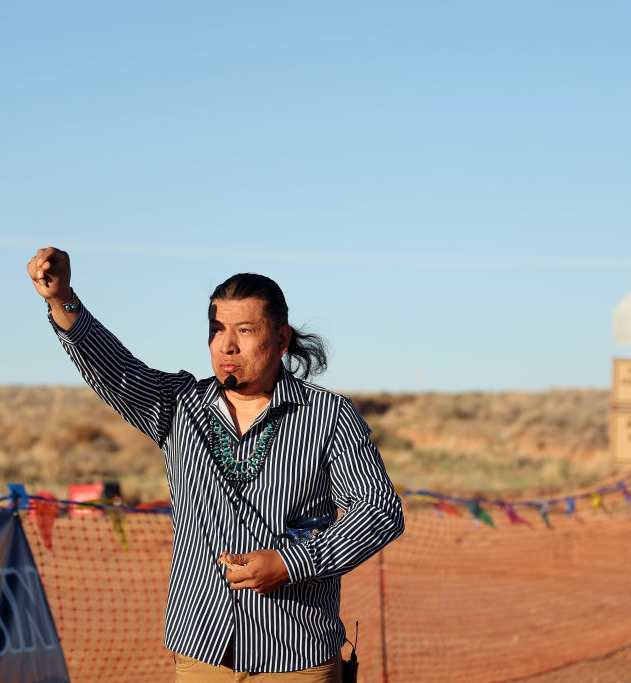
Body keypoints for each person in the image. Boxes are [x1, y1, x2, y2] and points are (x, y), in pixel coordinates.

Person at [27, 247, 404, 682]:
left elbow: (379, 512)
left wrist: (291, 563)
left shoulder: (328, 415)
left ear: (281, 339)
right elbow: (117, 371)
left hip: (298, 652)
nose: (226, 344)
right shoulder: (177, 406)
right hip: (203, 650)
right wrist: (62, 300)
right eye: (216, 329)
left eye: (244, 330)